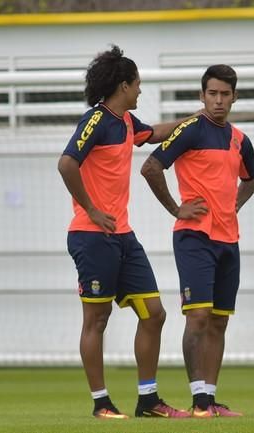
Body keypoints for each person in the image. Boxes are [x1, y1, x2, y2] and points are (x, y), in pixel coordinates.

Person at [58, 45, 191, 420]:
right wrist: (92, 209)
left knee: (154, 313)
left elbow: (157, 132)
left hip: (123, 237)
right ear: (122, 85)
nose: (140, 91)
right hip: (91, 235)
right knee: (96, 321)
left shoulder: (127, 124)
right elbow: (67, 163)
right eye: (137, 85)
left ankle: (148, 401)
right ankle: (101, 404)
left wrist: (195, 119)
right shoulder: (95, 121)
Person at [141, 64, 254, 418]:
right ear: (202, 96)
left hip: (229, 240)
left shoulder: (240, 139)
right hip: (194, 238)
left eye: (225, 94)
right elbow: (150, 167)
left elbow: (251, 179)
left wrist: (234, 204)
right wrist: (176, 209)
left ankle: (209, 397)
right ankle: (198, 401)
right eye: (212, 93)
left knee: (220, 320)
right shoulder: (189, 130)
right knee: (199, 317)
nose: (218, 100)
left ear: (234, 97)